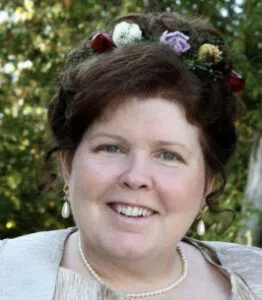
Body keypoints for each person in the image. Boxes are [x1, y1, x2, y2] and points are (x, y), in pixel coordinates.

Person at [0, 12, 261, 300]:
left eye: (168, 155)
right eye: (111, 148)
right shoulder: (8, 275)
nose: (136, 178)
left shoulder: (254, 277)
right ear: (68, 164)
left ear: (207, 184)